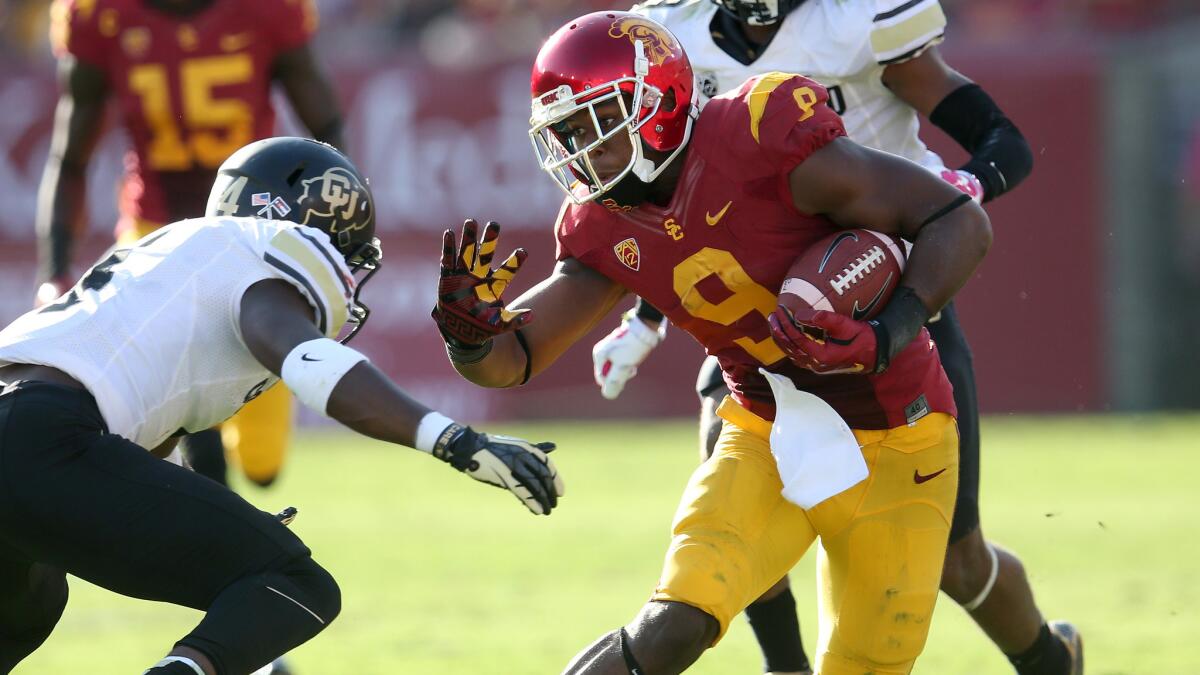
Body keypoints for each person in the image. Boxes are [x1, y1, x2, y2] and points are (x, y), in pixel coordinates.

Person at [432, 11, 990, 674]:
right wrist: (470, 335)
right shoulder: (598, 223)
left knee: (865, 664)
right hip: (767, 426)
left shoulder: (759, 136)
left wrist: (885, 332)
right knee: (675, 619)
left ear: (655, 101)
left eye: (596, 120)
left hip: (902, 430)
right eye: (568, 132)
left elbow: (957, 221)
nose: (583, 149)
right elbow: (514, 357)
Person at [587, 1, 1082, 674]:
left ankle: (1052, 661)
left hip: (889, 303)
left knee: (956, 560)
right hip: (757, 322)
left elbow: (1003, 141)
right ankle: (784, 665)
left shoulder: (861, 20)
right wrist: (644, 320)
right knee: (732, 494)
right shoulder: (672, 34)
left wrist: (957, 192)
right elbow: (672, 203)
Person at [0, 137, 563, 675]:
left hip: (34, 431)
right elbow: (305, 357)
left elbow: (137, 447)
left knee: (31, 600)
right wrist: (453, 441)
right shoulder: (263, 246)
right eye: (347, 250)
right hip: (42, 434)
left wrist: (211, 512)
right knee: (296, 583)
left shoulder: (170, 254)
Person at [38, 0, 346, 493]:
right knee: (177, 408)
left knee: (262, 465)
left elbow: (327, 127)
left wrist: (331, 228)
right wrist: (53, 270)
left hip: (252, 234)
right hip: (153, 230)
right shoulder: (100, 14)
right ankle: (211, 520)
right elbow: (69, 157)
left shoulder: (268, 10)